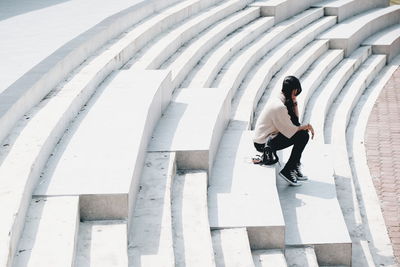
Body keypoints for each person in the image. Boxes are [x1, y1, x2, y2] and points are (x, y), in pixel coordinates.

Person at [253, 76, 314, 186]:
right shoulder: (279, 106)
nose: (296, 95)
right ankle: (288, 170)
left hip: (269, 138)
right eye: (296, 92)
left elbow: (295, 122)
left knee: (302, 133)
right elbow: (291, 129)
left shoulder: (282, 99)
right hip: (263, 143)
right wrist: (307, 126)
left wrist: (295, 102)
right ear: (294, 90)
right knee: (303, 136)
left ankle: (294, 166)